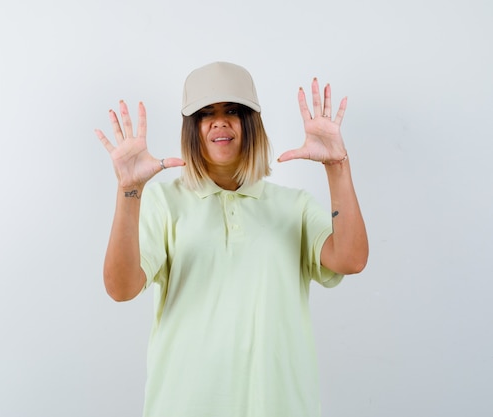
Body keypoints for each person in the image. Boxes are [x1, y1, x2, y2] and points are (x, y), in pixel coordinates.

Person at [94, 61, 368, 417]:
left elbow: (351, 259)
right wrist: (129, 192)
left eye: (232, 111)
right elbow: (121, 287)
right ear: (192, 128)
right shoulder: (165, 203)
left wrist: (337, 166)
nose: (220, 121)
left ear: (251, 124)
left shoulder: (294, 206)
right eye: (206, 113)